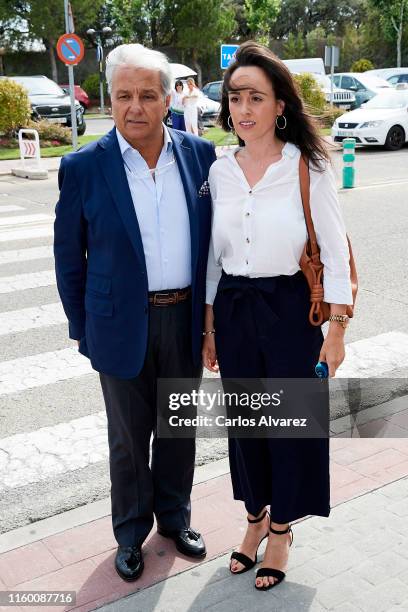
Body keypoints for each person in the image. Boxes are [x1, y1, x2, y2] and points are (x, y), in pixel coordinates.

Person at [54, 43, 216, 582]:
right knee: (127, 438)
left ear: (170, 98)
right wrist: (84, 329)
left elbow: (214, 243)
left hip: (184, 316)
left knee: (178, 426)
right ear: (110, 99)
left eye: (148, 94)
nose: (135, 107)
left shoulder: (200, 156)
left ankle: (173, 518)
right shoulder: (83, 167)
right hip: (118, 323)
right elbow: (67, 259)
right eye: (124, 95)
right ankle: (129, 533)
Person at [202, 41, 353, 591]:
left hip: (291, 312)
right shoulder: (220, 170)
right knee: (246, 428)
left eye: (256, 98)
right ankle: (254, 518)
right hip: (237, 311)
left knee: (290, 429)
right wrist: (210, 327)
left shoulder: (307, 167)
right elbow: (215, 260)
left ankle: (283, 529)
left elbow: (335, 254)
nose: (243, 109)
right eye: (235, 97)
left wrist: (335, 332)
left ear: (280, 105)